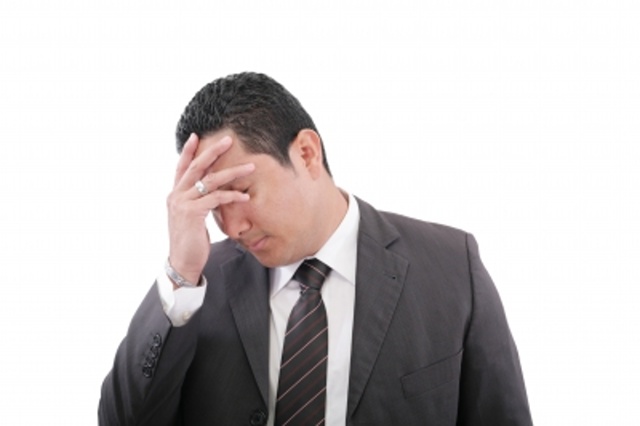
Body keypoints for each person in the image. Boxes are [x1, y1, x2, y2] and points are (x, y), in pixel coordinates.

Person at [99, 72, 532, 425]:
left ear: (306, 153)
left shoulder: (452, 268)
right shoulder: (197, 286)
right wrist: (180, 273)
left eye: (241, 192)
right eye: (215, 205)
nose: (232, 227)